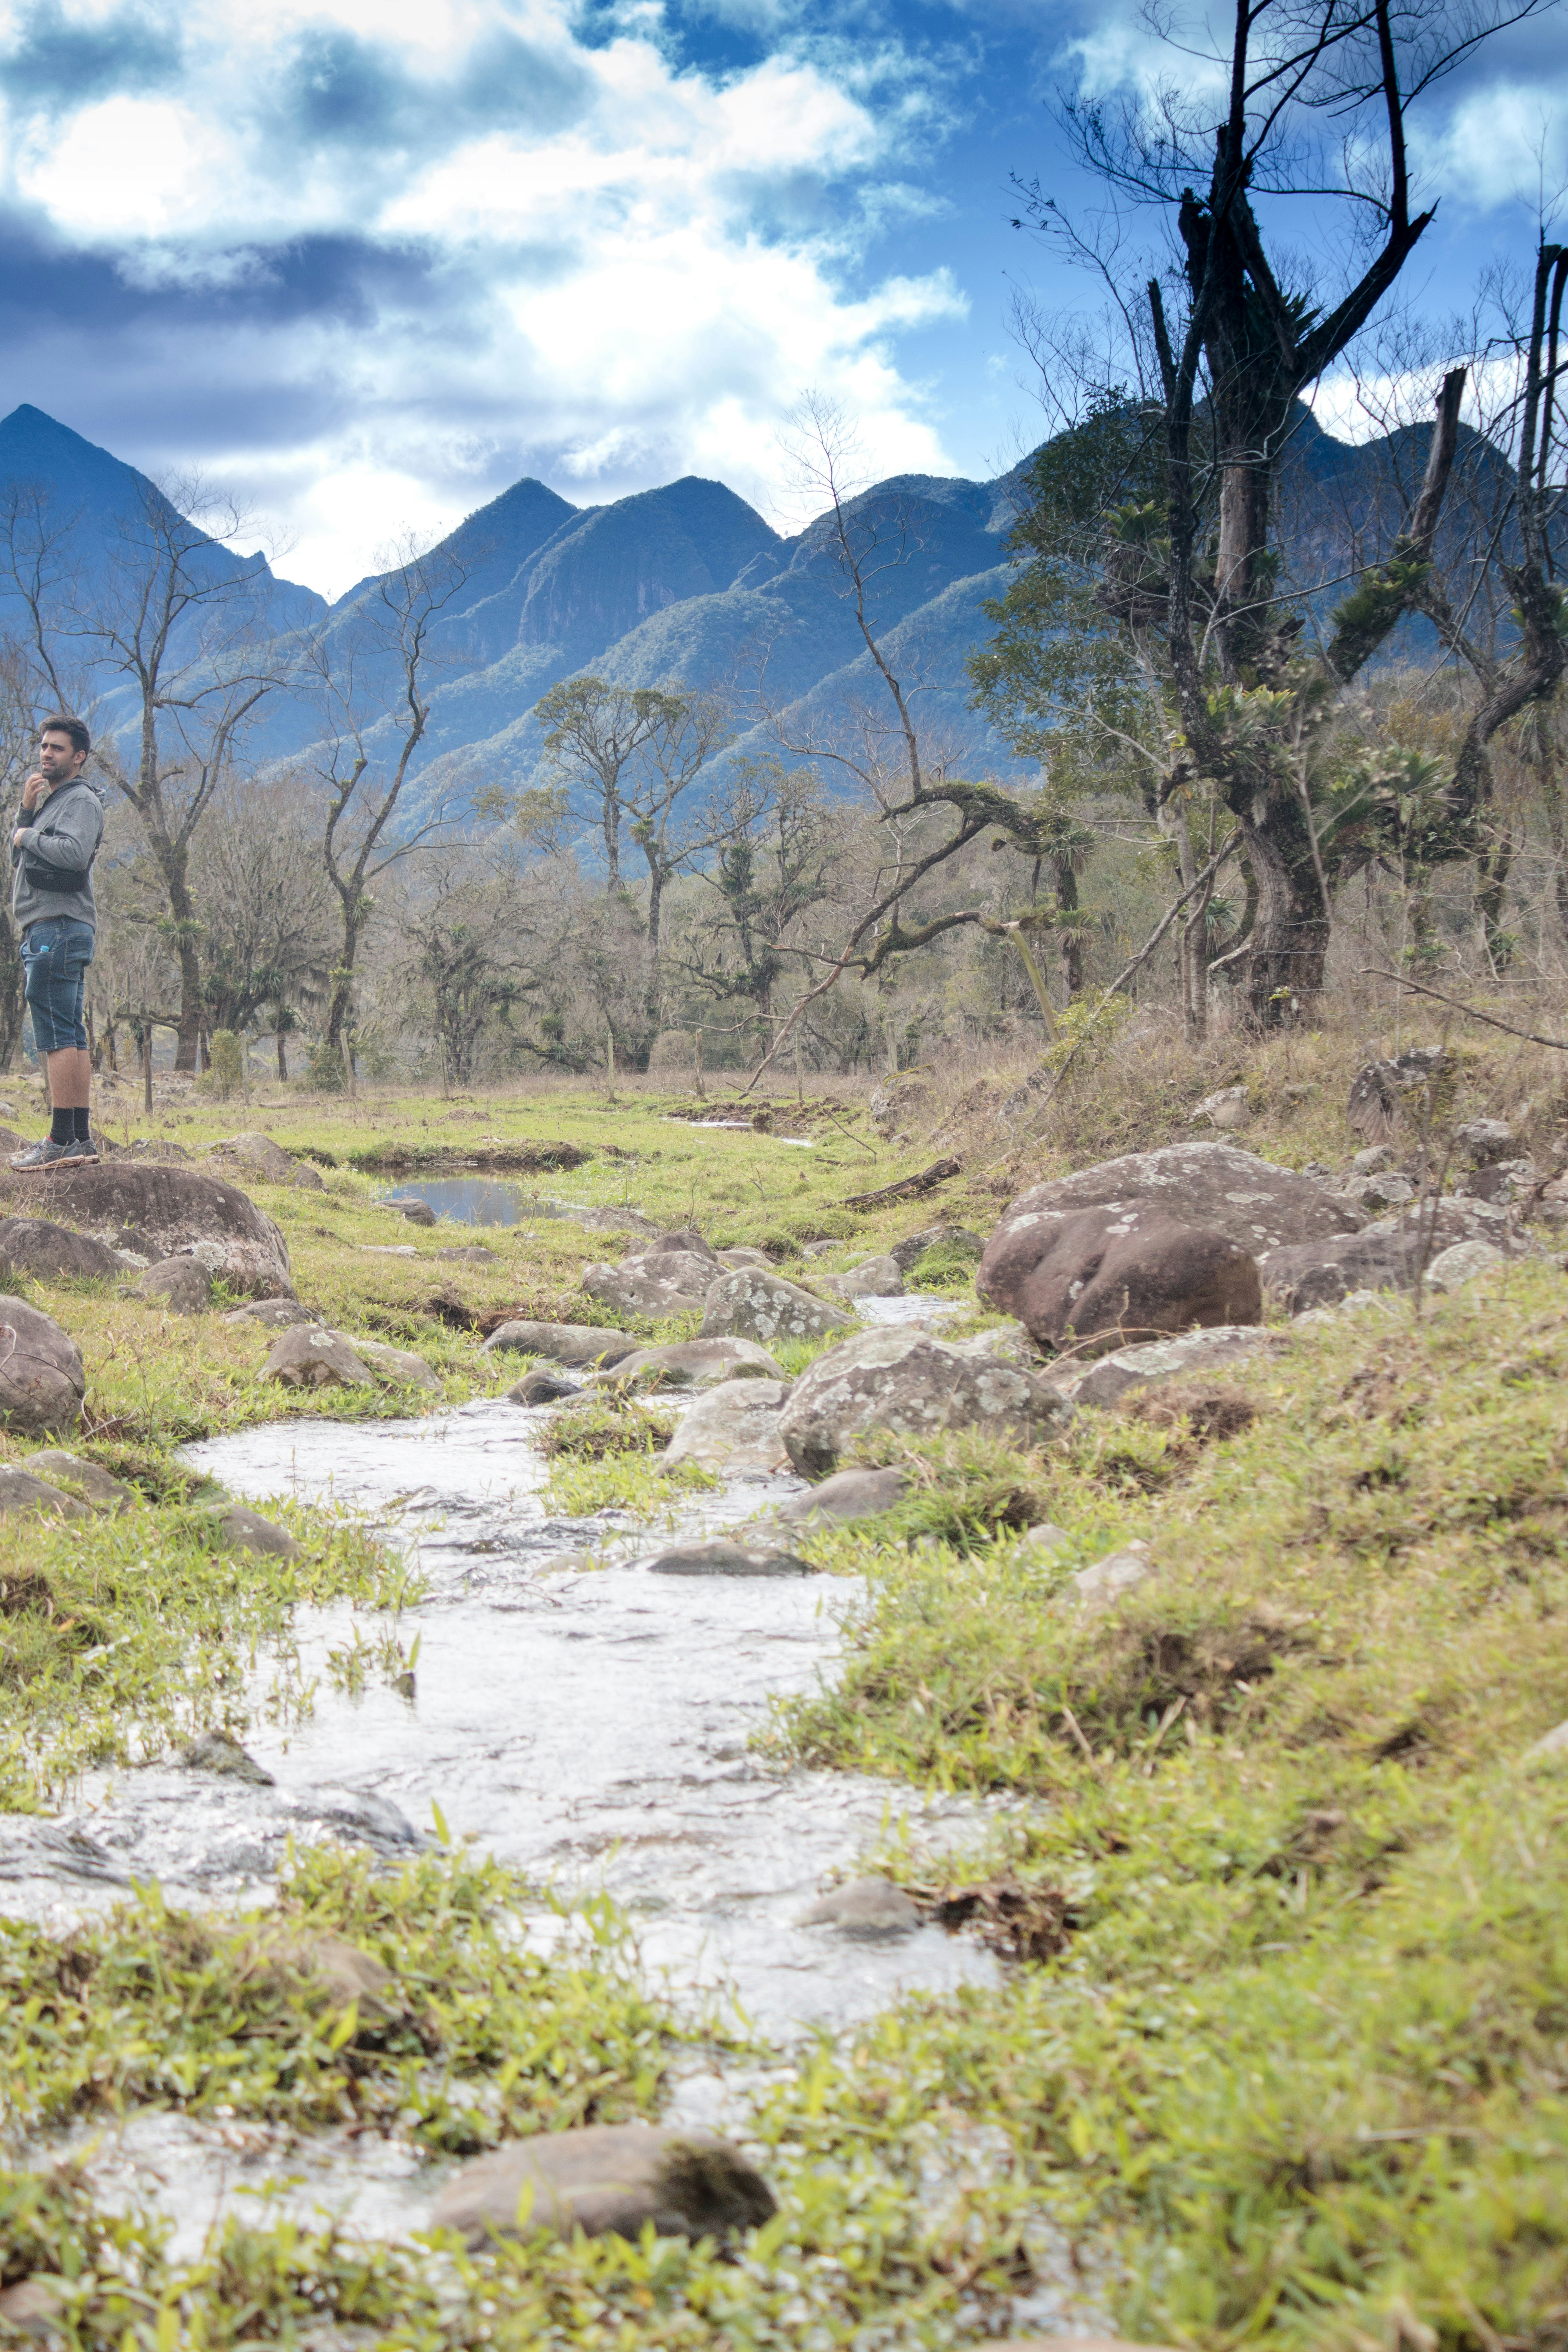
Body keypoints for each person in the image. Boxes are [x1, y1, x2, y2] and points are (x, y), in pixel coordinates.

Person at [9, 714, 105, 1169]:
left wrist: (28, 833)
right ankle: (78, 1138)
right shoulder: (54, 800)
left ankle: (61, 1140)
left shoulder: (80, 800)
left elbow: (73, 852)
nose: (46, 753)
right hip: (52, 927)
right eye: (44, 746)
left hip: (58, 926)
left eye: (58, 748)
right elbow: (18, 857)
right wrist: (27, 814)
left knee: (56, 1035)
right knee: (71, 1032)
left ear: (79, 757)